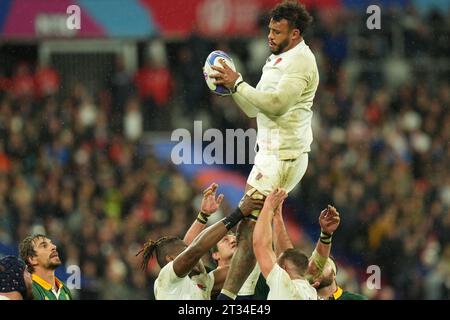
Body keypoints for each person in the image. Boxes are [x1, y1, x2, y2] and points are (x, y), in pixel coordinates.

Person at [209, 0, 319, 299]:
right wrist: (232, 87)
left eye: (277, 32)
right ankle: (245, 294)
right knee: (253, 224)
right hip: (270, 153)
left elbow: (278, 105)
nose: (269, 36)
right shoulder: (275, 58)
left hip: (283, 155)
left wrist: (239, 82)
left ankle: (233, 297)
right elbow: (254, 107)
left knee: (249, 225)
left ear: (294, 34)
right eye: (269, 29)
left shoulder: (302, 61)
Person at [137, 187, 264, 300]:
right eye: (184, 251)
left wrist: (203, 215)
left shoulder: (202, 281)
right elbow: (195, 249)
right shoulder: (166, 279)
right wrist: (239, 213)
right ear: (171, 259)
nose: (198, 258)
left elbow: (239, 268)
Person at [253, 188, 317, 299]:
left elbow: (260, 245)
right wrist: (277, 215)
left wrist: (268, 207)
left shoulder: (284, 283)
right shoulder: (310, 291)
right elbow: (287, 253)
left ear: (283, 268)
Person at [19, 235, 72, 300]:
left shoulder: (65, 290)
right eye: (44, 246)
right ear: (32, 259)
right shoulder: (29, 289)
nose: (54, 247)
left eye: (51, 243)